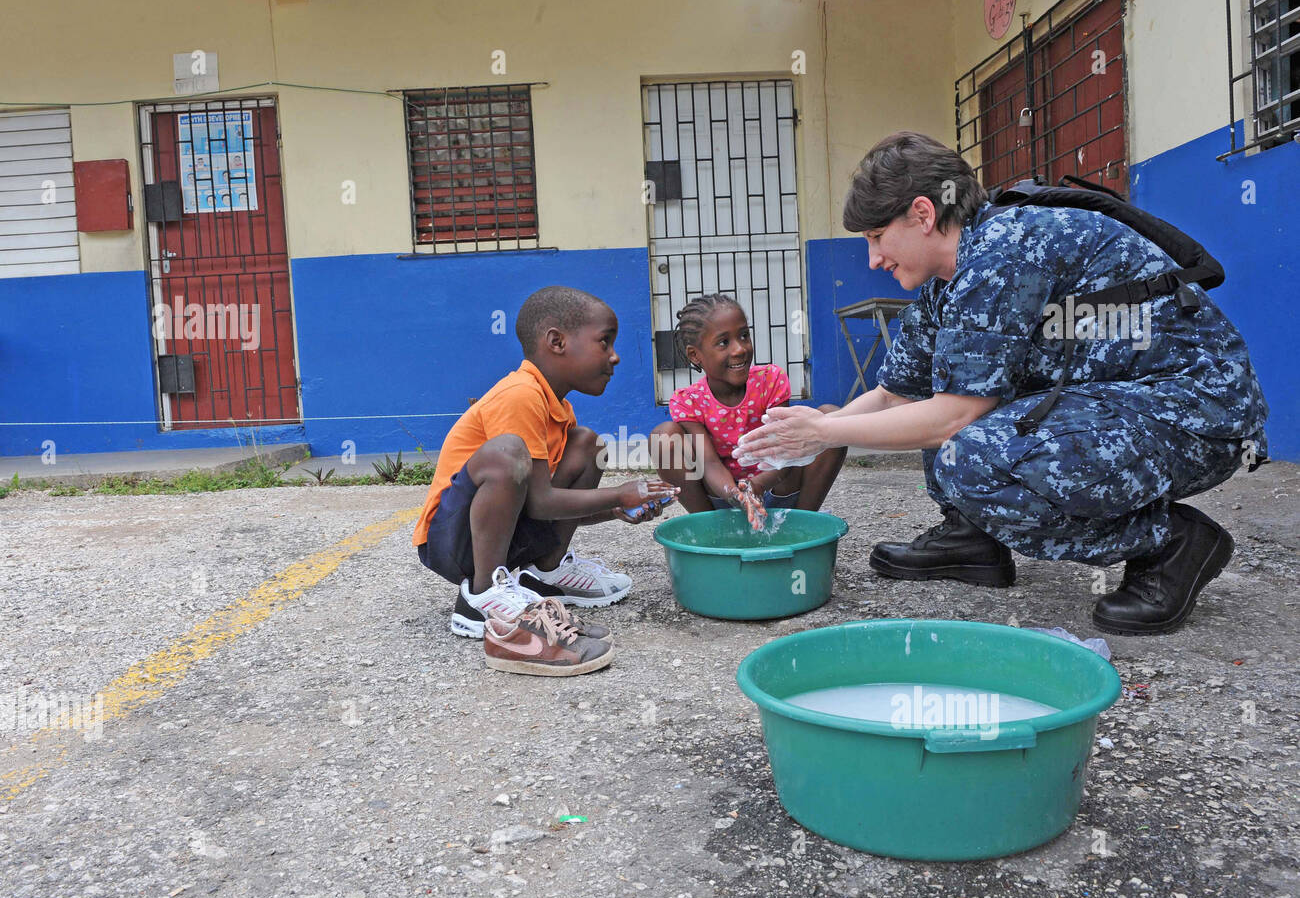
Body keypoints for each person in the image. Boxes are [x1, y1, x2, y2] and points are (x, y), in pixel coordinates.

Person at [737, 131, 1269, 636]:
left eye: (877, 237)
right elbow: (898, 393)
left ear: (922, 213)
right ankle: (974, 538)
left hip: (1195, 411)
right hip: (1121, 406)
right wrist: (803, 435)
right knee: (947, 399)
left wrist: (825, 435)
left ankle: (1171, 544)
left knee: (969, 451)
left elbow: (954, 417)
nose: (873, 258)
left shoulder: (1004, 252)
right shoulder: (949, 280)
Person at [412, 285, 678, 640]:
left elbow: (539, 505)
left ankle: (545, 572)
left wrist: (616, 509)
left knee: (586, 445)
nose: (615, 356)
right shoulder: (519, 395)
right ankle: (481, 597)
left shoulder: (558, 408)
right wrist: (619, 494)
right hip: (452, 542)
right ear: (557, 342)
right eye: (605, 342)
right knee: (507, 451)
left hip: (505, 536)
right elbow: (542, 501)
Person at [650, 294, 847, 528]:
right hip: (723, 498)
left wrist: (757, 485)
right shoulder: (689, 401)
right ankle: (711, 529)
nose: (740, 349)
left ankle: (802, 526)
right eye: (724, 342)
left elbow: (784, 450)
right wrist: (737, 494)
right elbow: (709, 464)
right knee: (663, 437)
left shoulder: (770, 381)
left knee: (832, 418)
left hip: (778, 486)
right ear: (695, 355)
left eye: (744, 335)